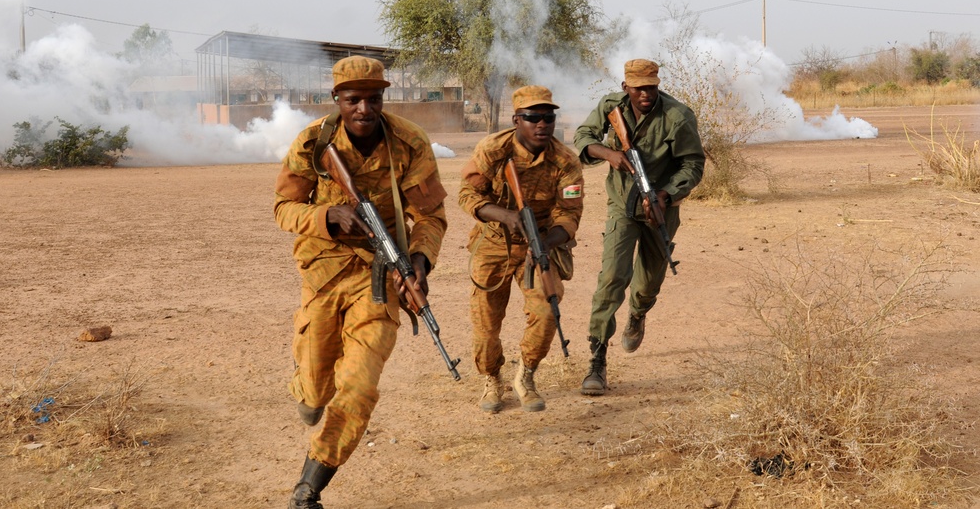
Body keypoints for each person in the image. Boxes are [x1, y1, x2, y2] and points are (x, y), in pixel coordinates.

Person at [273, 56, 448, 509]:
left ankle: (309, 487)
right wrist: (326, 216)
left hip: (382, 277)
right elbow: (283, 209)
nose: (365, 109)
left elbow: (429, 216)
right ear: (337, 100)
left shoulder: (409, 142)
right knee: (315, 389)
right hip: (324, 274)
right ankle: (308, 391)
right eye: (354, 99)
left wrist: (420, 262)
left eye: (374, 99)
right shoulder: (314, 142)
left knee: (359, 386)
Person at [572, 59, 705, 396]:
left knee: (648, 281)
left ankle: (638, 313)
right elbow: (583, 136)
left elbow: (693, 163)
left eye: (651, 86)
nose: (646, 93)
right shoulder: (611, 107)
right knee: (613, 277)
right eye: (639, 87)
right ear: (625, 87)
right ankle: (597, 360)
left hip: (660, 209)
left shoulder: (678, 116)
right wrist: (609, 154)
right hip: (621, 205)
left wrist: (666, 194)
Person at [459, 85, 584, 413]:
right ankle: (492, 377)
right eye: (533, 117)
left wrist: (548, 241)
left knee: (546, 311)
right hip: (493, 245)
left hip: (538, 245)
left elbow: (569, 213)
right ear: (517, 120)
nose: (542, 124)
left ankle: (526, 375)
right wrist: (503, 215)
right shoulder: (492, 149)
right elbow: (467, 195)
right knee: (486, 325)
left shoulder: (565, 161)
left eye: (549, 117)